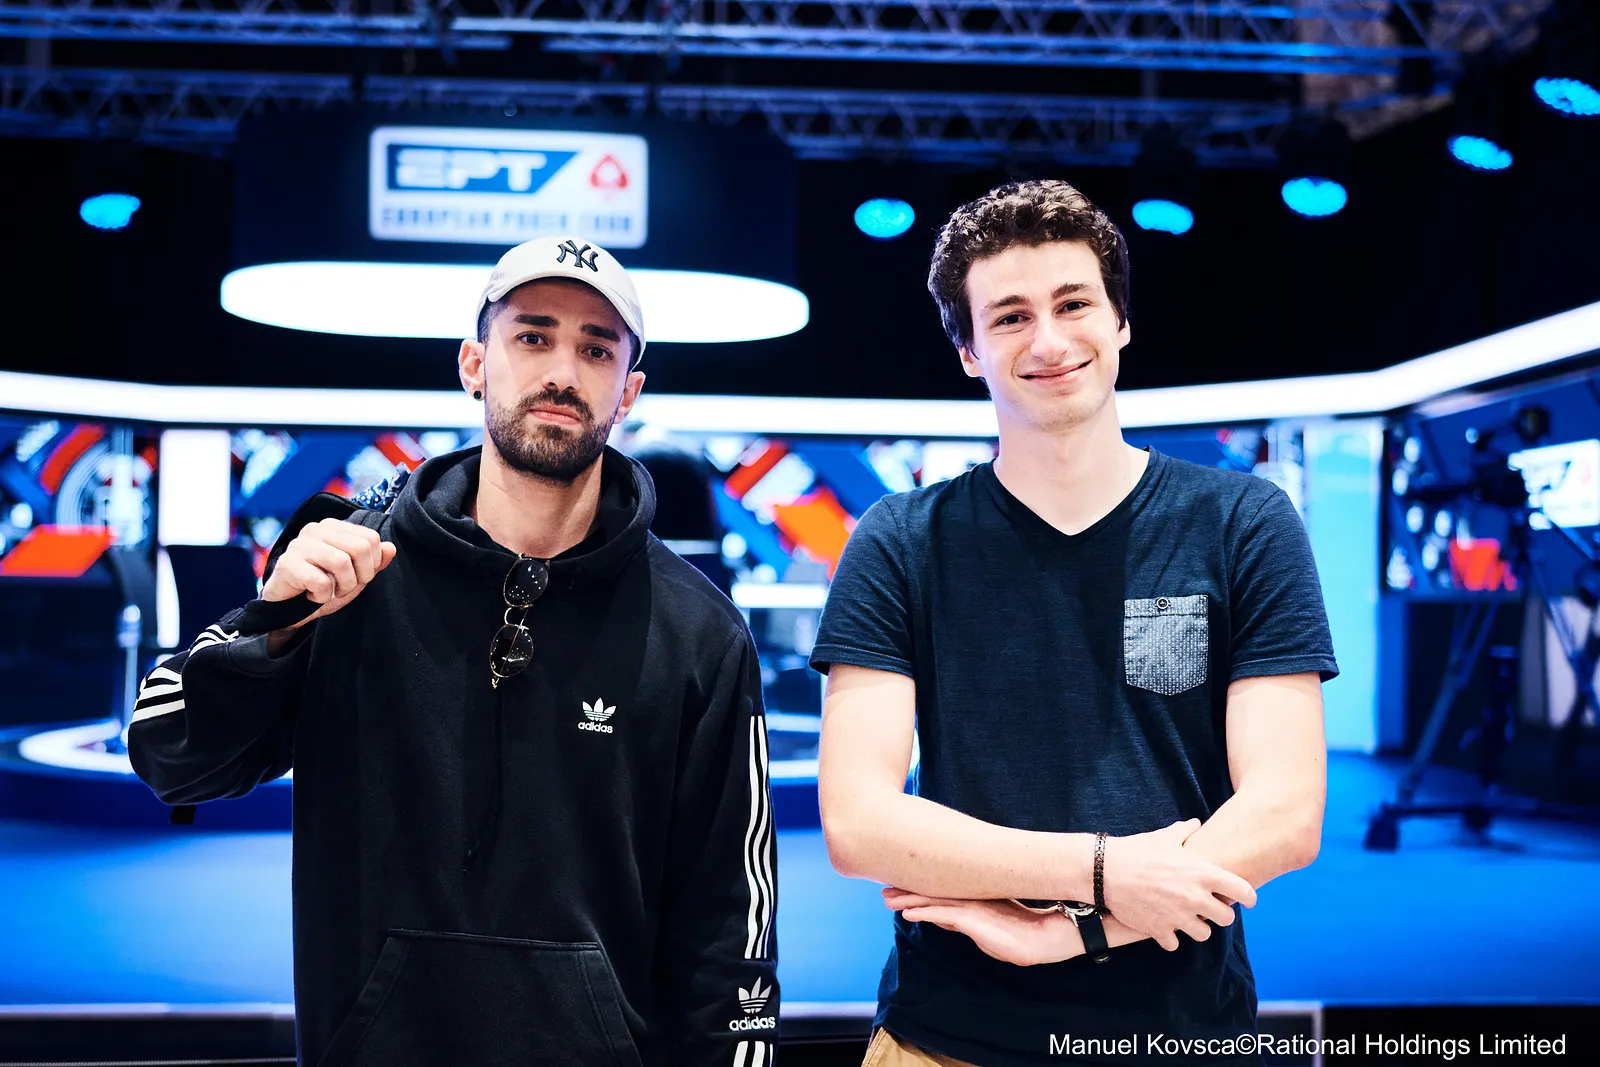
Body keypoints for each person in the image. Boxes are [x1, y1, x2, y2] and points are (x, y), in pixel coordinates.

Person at [129, 236, 780, 1067]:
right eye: (533, 336)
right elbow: (168, 754)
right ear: (474, 364)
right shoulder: (347, 568)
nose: (562, 372)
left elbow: (732, 930)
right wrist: (278, 628)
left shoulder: (701, 631)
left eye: (596, 349)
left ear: (629, 391)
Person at [812, 180, 1336, 1066]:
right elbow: (859, 822)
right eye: (1010, 317)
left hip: (1182, 1030)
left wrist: (1078, 929)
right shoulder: (900, 540)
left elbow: (1285, 811)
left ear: (1120, 320)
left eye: (1073, 303)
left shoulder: (1242, 522)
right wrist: (1099, 870)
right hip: (945, 1036)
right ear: (969, 351)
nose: (1049, 341)